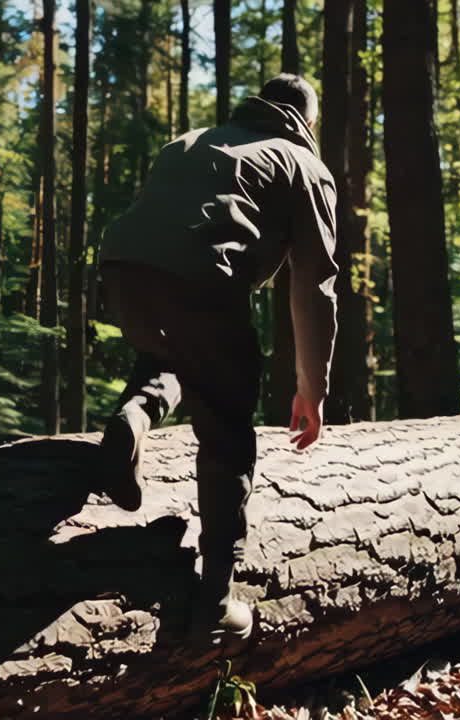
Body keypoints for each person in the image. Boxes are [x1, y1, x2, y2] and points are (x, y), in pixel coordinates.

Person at [95, 73, 338, 649]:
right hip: (204, 282)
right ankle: (218, 597)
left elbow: (162, 235)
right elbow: (316, 284)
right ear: (306, 119)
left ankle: (132, 417)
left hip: (120, 272)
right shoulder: (303, 165)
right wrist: (312, 384)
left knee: (173, 349)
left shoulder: (190, 139)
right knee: (227, 432)